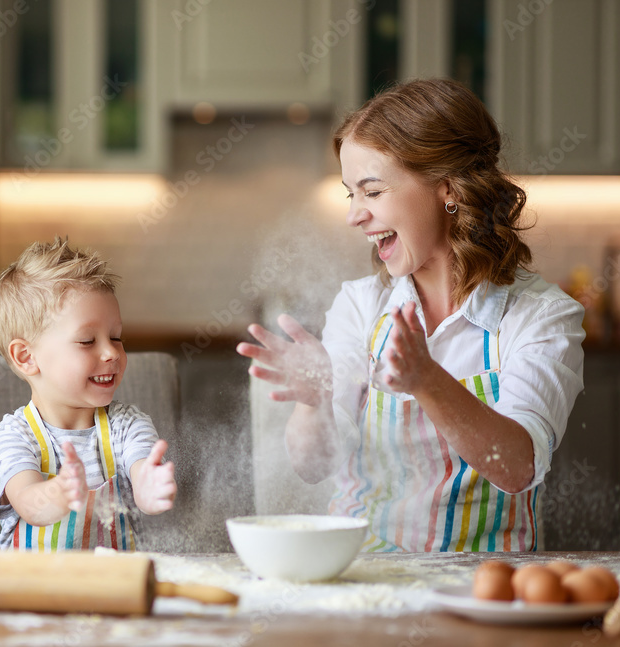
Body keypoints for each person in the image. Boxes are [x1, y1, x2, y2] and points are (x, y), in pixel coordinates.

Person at [237, 78, 585, 552]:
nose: (354, 216)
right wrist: (314, 403)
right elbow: (315, 465)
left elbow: (517, 465)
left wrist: (428, 380)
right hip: (365, 578)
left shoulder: (541, 316)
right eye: (350, 194)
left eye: (372, 191)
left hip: (487, 589)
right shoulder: (361, 306)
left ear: (447, 189)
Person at [0, 237, 177, 550]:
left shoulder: (126, 425)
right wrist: (57, 494)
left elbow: (141, 469)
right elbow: (29, 502)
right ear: (26, 357)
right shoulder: (15, 435)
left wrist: (149, 488)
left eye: (116, 337)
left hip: (112, 589)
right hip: (34, 592)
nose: (111, 352)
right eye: (87, 341)